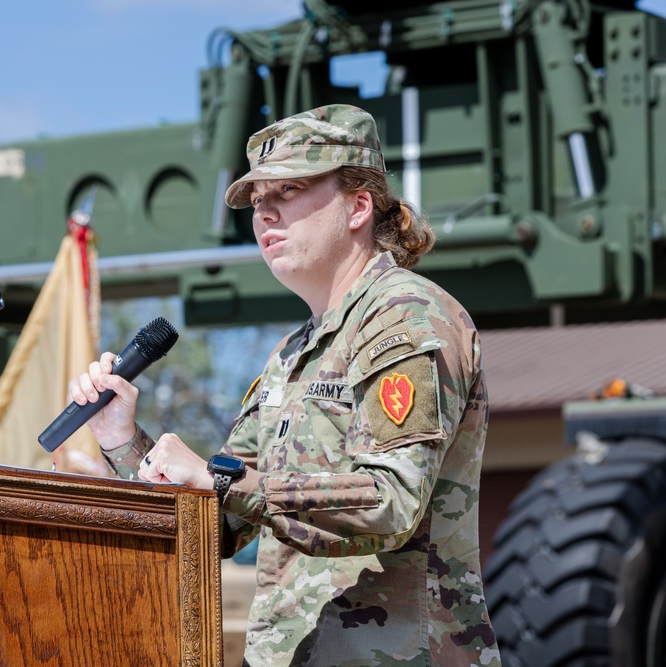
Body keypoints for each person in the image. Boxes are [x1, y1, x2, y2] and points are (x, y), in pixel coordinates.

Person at [68, 105, 500, 666]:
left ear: (359, 206)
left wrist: (222, 478)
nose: (264, 212)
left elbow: (392, 501)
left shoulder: (407, 318)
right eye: (256, 200)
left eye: (289, 189)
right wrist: (123, 439)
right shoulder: (292, 354)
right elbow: (218, 525)